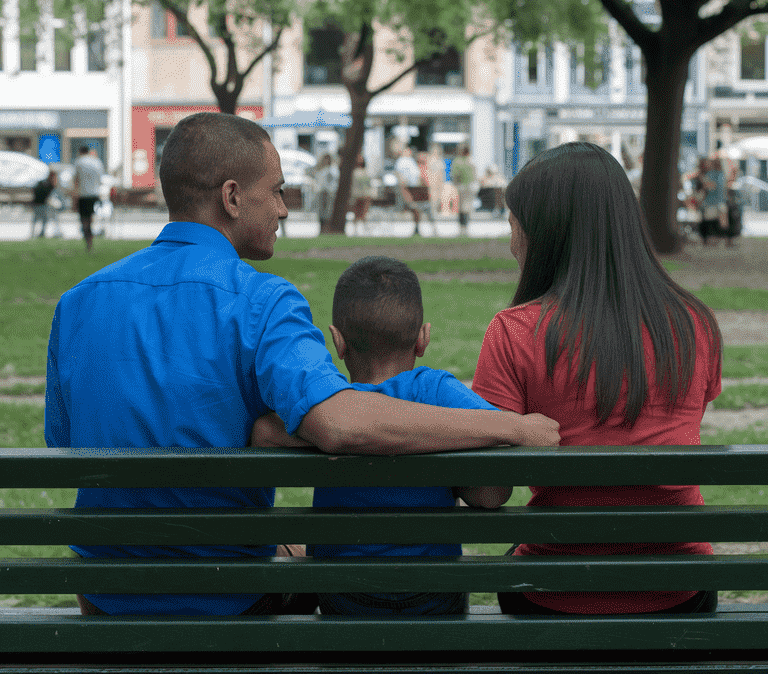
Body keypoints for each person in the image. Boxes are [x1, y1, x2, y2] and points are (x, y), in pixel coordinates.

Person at [45, 112, 559, 618]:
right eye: (277, 191)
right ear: (231, 198)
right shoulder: (261, 301)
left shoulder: (77, 303)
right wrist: (509, 425)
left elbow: (63, 441)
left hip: (106, 597)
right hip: (227, 598)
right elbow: (337, 422)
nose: (284, 209)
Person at [472, 141, 722, 616]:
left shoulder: (514, 333)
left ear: (542, 234)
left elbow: (489, 492)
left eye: (512, 225)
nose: (511, 241)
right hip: (679, 589)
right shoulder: (696, 326)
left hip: (554, 592)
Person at [268, 256, 516, 616]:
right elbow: (492, 494)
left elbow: (265, 430)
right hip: (434, 601)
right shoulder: (438, 392)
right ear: (423, 338)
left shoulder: (330, 408)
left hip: (344, 601)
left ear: (337, 342)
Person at [73, 145, 105, 251]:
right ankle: (90, 241)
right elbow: (100, 179)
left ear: (80, 151)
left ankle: (88, 241)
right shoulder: (97, 162)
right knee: (91, 219)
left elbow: (76, 181)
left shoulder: (79, 162)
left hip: (83, 195)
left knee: (84, 220)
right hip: (95, 194)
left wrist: (74, 198)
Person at [694, 155, 726, 246]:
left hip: (714, 202)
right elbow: (709, 187)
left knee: (713, 221)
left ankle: (713, 239)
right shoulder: (714, 174)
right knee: (710, 221)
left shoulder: (717, 174)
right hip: (710, 202)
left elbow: (711, 187)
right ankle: (709, 239)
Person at [450, 146, 475, 235]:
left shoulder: (457, 161)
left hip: (461, 187)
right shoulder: (470, 161)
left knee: (462, 208)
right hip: (469, 187)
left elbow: (455, 175)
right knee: (467, 207)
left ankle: (462, 227)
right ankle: (465, 226)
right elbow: (474, 174)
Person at [314, 153, 338, 233]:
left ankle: (326, 228)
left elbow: (333, 181)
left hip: (329, 193)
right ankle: (321, 229)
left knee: (328, 211)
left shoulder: (333, 169)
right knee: (321, 212)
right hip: (321, 192)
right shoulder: (320, 169)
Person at [29, 170, 57, 239]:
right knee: (41, 219)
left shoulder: (43, 183)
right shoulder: (48, 184)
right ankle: (37, 233)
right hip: (40, 203)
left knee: (38, 219)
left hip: (38, 203)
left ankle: (37, 233)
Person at [350, 154, 373, 235]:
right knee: (356, 214)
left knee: (364, 214)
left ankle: (365, 231)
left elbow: (369, 184)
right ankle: (355, 231)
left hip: (365, 195)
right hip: (357, 195)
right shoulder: (354, 172)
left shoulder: (366, 171)